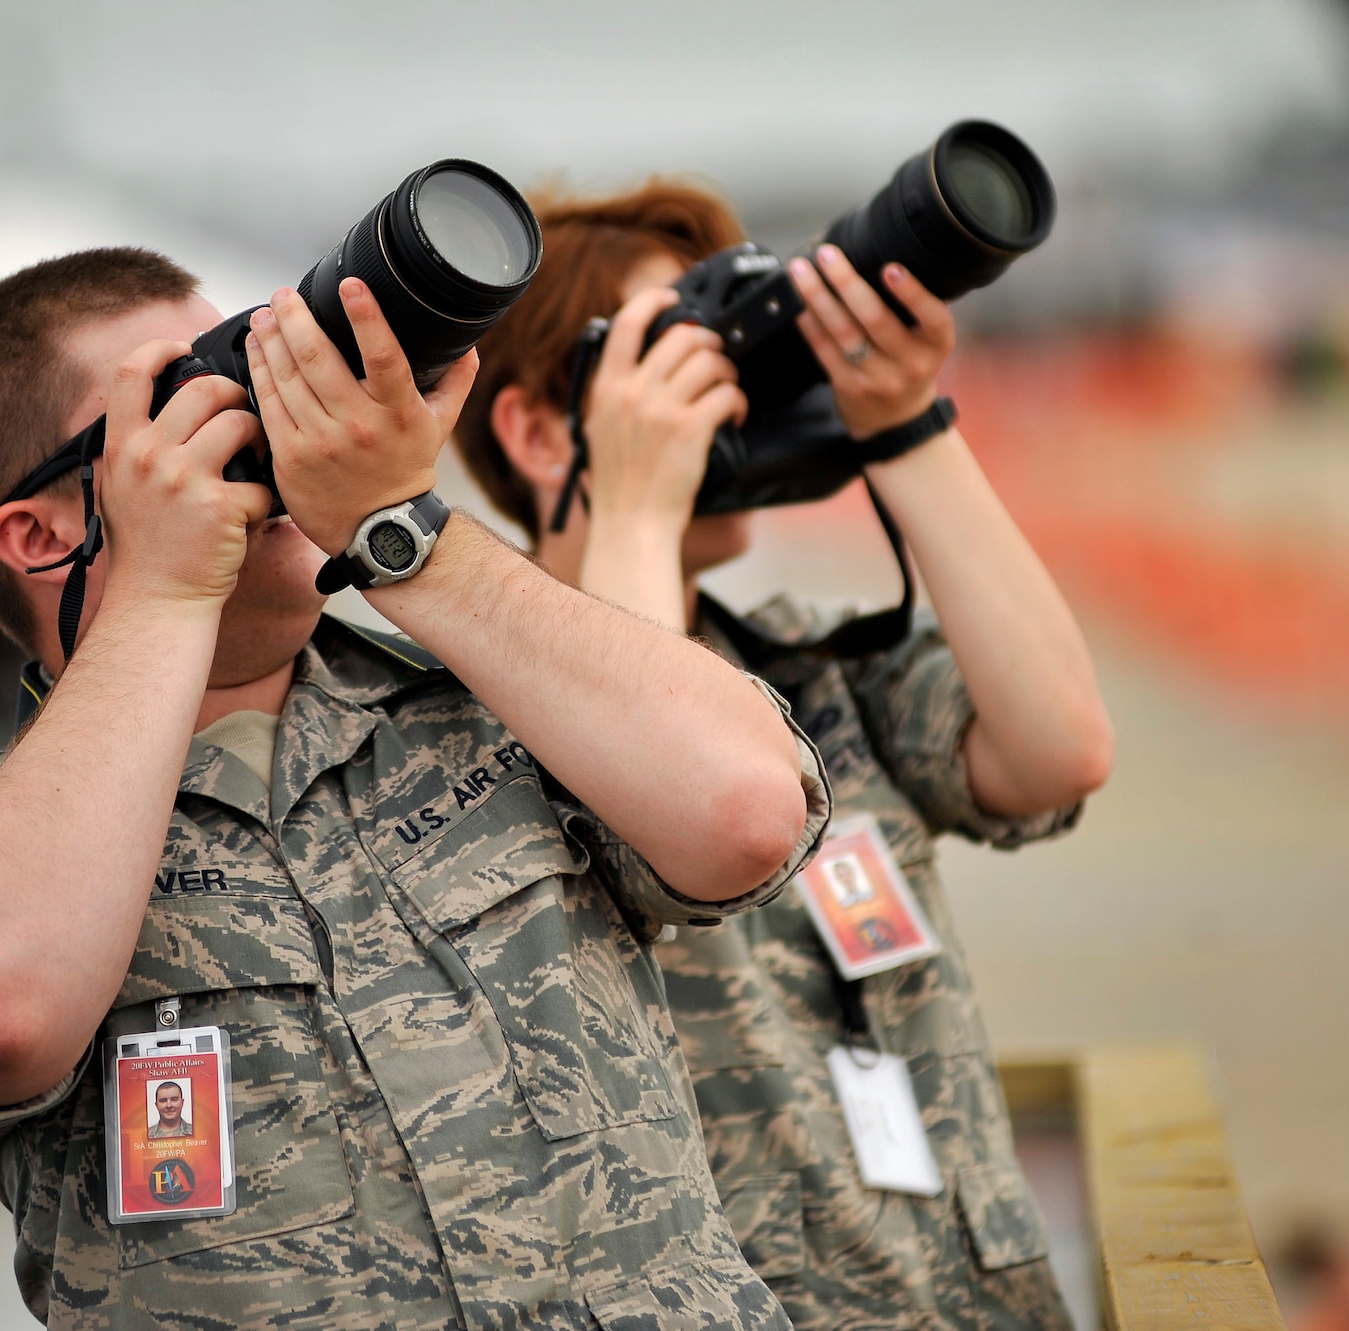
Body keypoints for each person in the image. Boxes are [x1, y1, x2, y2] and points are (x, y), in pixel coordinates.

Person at [0, 247, 831, 1328]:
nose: (262, 425)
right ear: (43, 529)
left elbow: (750, 812)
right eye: (186, 408)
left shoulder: (497, 703)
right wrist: (163, 588)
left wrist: (403, 527)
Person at [455, 183, 1114, 1329]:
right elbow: (648, 807)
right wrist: (636, 507)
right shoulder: (458, 740)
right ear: (537, 428)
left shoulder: (813, 674)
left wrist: (903, 419)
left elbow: (1056, 748)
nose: (731, 398)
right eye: (676, 357)